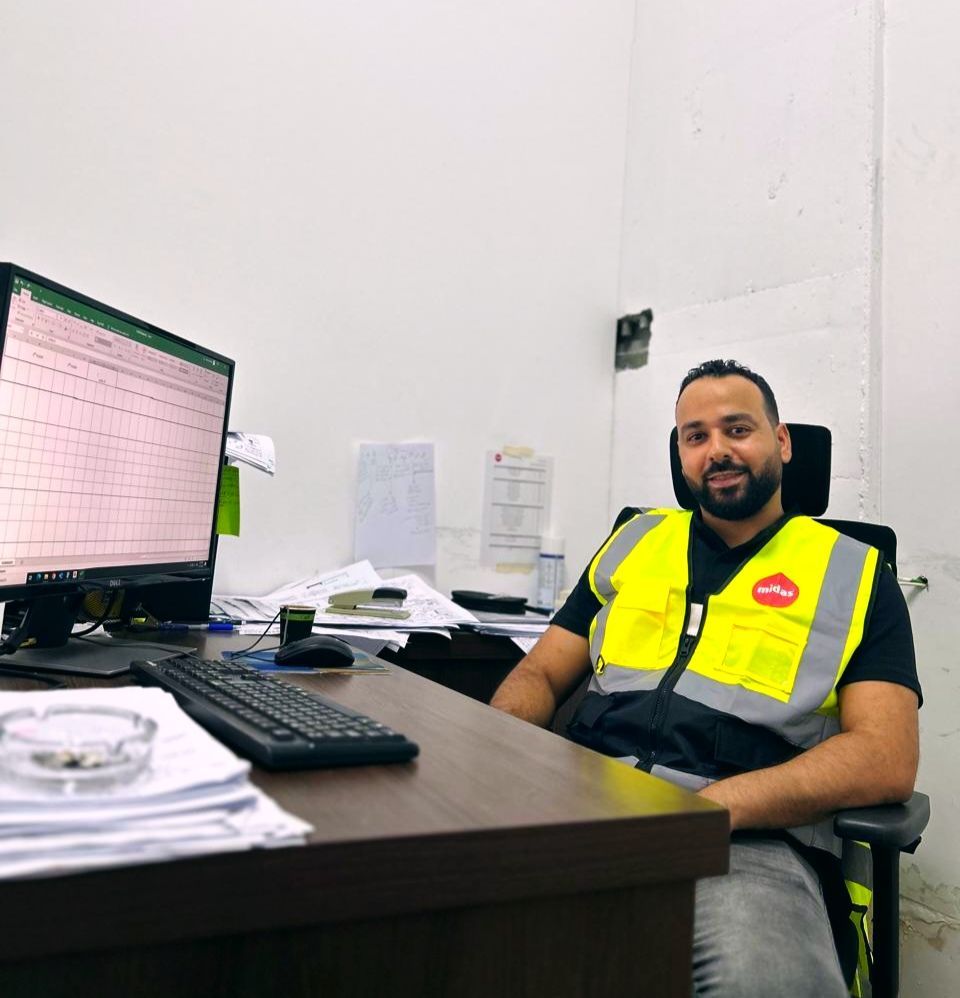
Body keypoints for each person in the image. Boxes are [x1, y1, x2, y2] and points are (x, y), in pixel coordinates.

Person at [490, 359, 921, 998]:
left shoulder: (856, 575)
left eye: (737, 429)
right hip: (580, 813)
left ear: (782, 441)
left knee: (770, 984)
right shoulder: (635, 541)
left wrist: (716, 807)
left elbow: (885, 756)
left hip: (746, 842)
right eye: (695, 436)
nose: (716, 450)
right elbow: (541, 673)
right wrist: (495, 753)